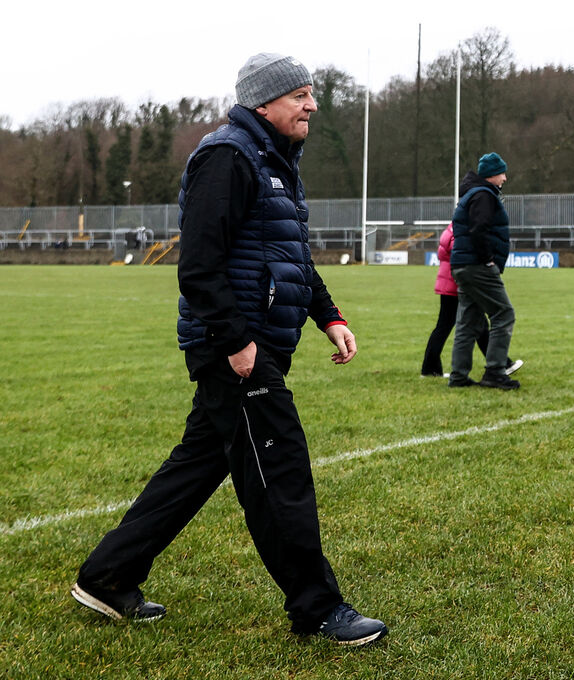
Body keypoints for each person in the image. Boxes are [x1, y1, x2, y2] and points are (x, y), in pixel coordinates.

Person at [70, 54, 387, 646]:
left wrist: (329, 315)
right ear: (264, 103)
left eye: (311, 93)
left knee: (196, 467)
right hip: (238, 348)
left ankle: (107, 576)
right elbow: (199, 264)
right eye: (299, 95)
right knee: (279, 469)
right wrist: (236, 342)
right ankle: (318, 608)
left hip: (252, 342)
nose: (312, 105)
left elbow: (291, 258)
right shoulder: (229, 156)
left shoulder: (275, 160)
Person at [448, 152, 520, 390]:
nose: (505, 178)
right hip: (477, 266)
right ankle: (495, 372)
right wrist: (488, 259)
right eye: (502, 173)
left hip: (462, 265)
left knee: (467, 321)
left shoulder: (472, 194)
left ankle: (458, 376)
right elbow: (479, 230)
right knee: (503, 313)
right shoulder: (483, 196)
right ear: (492, 175)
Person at [421, 224, 522, 378]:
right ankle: (502, 364)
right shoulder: (461, 229)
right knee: (475, 325)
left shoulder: (451, 228)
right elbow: (461, 251)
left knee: (451, 326)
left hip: (448, 281)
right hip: (457, 283)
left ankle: (430, 368)